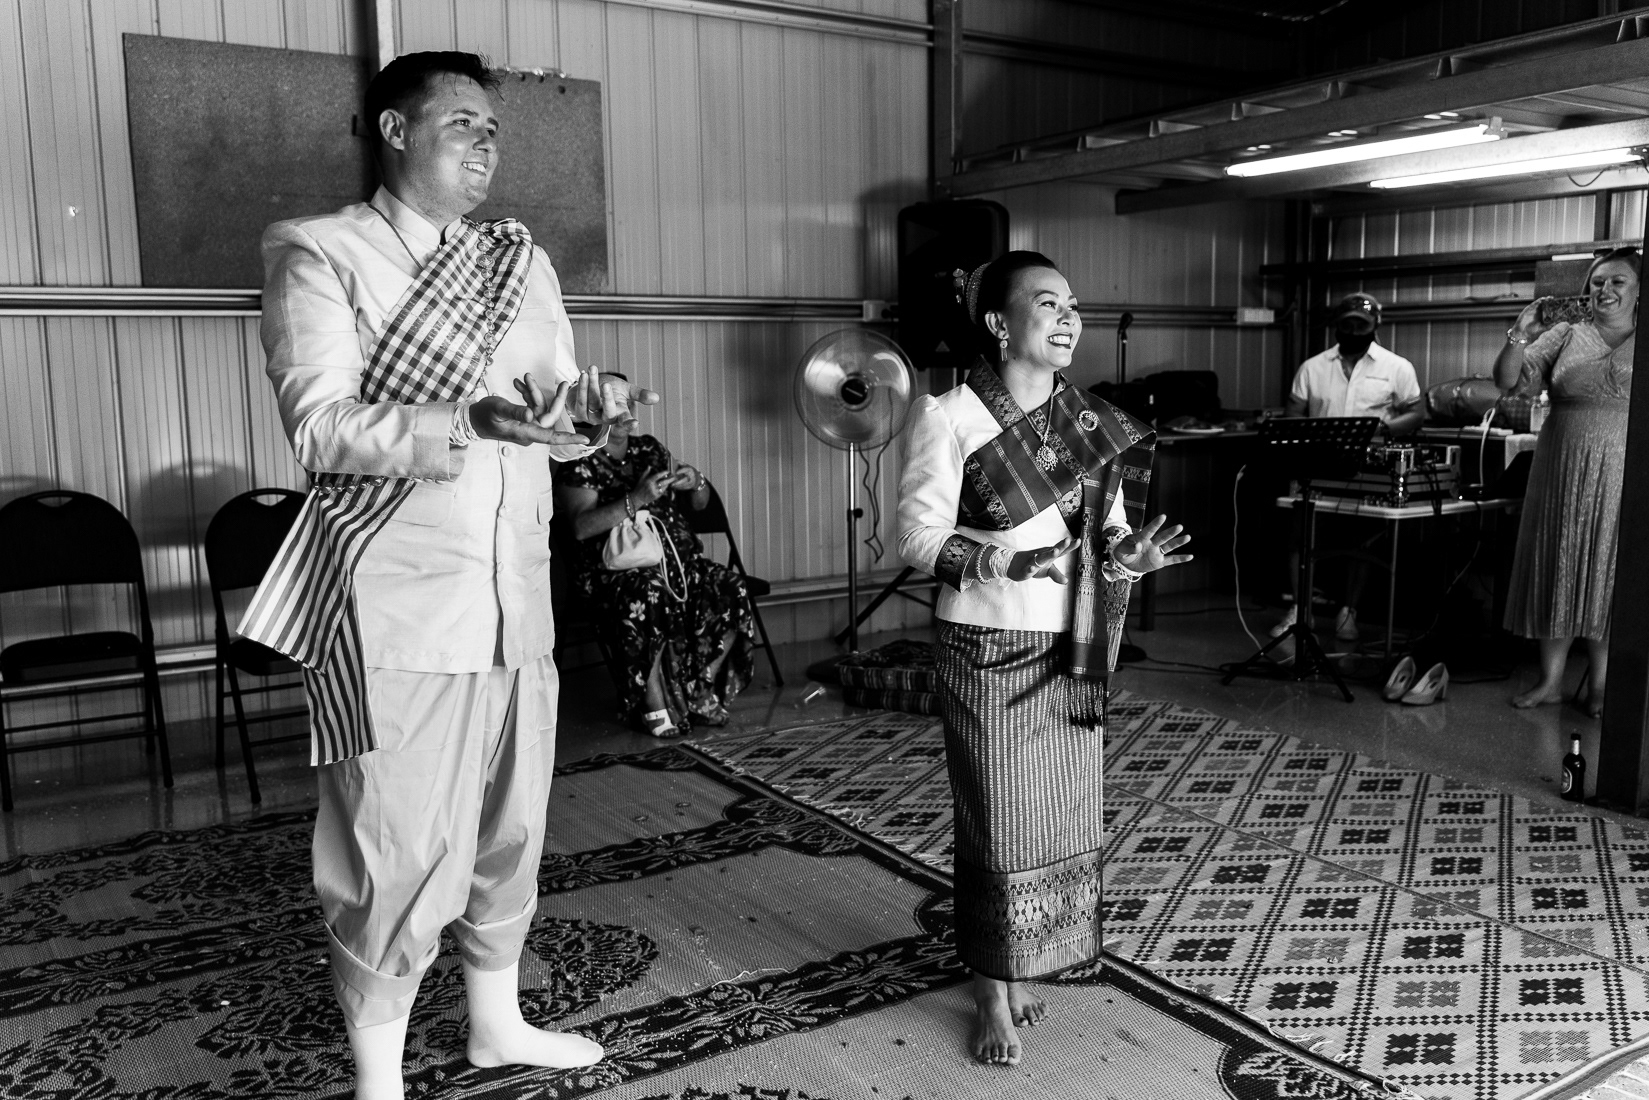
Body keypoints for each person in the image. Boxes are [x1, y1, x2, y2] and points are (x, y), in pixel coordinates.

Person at [239, 52, 657, 1099]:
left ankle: (494, 1023)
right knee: (393, 840)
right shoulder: (321, 251)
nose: (486, 145)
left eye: (493, 129)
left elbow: (552, 407)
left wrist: (588, 414)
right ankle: (378, 1079)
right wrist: (462, 419)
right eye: (463, 123)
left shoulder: (520, 259)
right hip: (398, 598)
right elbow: (321, 426)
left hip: (515, 593)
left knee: (509, 826)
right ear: (394, 129)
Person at [897, 251, 1191, 1067]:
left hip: (1070, 646)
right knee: (996, 820)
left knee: (1054, 816)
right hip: (985, 645)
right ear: (998, 322)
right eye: (1047, 303)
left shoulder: (1089, 422)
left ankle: (1025, 956)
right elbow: (913, 535)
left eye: (1072, 305)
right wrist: (1004, 560)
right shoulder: (947, 414)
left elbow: (1108, 536)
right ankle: (990, 988)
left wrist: (1131, 557)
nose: (1068, 319)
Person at [554, 401, 757, 737]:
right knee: (648, 592)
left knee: (730, 585)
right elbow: (581, 528)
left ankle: (699, 687)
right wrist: (637, 498)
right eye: (612, 407)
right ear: (593, 413)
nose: (623, 415)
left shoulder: (650, 448)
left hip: (678, 562)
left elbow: (700, 504)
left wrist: (697, 482)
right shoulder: (579, 458)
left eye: (627, 406)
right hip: (617, 571)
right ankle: (654, 704)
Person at [1493, 246, 1638, 716]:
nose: (1605, 289)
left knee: (1609, 569)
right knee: (1560, 561)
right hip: (1562, 466)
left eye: (1618, 281)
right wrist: (1520, 333)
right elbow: (1507, 381)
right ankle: (1551, 681)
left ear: (1639, 290)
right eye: (1598, 281)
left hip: (1626, 472)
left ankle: (1601, 685)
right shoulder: (1566, 334)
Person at [1278, 292, 1423, 643]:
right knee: (1301, 536)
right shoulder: (1313, 367)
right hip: (1318, 465)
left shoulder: (1397, 367)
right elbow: (1293, 414)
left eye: (1361, 325)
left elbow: (1416, 413)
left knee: (1362, 540)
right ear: (1336, 326)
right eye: (1347, 325)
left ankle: (1349, 612)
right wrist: (1304, 435)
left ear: (1375, 325)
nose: (1354, 331)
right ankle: (1301, 609)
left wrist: (1383, 429)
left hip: (1367, 468)